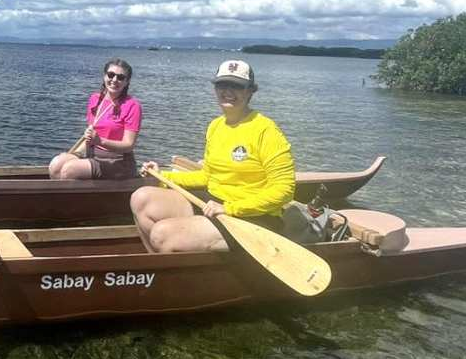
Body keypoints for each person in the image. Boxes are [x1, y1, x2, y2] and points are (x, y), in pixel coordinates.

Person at [131, 58, 296, 252]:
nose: (228, 91)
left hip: (253, 216)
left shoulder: (266, 131)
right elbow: (207, 177)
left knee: (162, 234)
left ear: (250, 91)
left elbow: (285, 190)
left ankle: (183, 259)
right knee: (141, 199)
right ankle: (174, 260)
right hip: (213, 202)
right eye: (222, 85)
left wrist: (230, 209)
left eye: (237, 86)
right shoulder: (215, 126)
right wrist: (162, 176)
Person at [48, 58, 142, 180]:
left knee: (69, 170)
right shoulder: (95, 99)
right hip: (92, 154)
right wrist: (77, 153)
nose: (114, 80)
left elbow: (128, 145)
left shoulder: (132, 106)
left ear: (126, 82)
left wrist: (100, 141)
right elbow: (91, 136)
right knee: (56, 165)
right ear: (104, 76)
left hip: (118, 161)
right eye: (111, 75)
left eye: (120, 77)